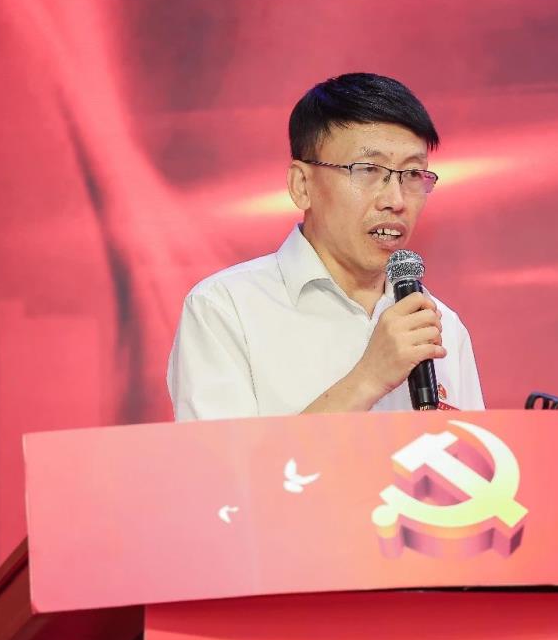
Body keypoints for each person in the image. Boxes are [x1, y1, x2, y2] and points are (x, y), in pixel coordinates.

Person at [167, 73, 484, 420]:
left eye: (412, 175)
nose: (396, 200)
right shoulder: (224, 309)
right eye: (368, 169)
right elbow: (221, 457)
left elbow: (471, 454)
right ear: (302, 185)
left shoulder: (441, 325)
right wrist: (368, 378)